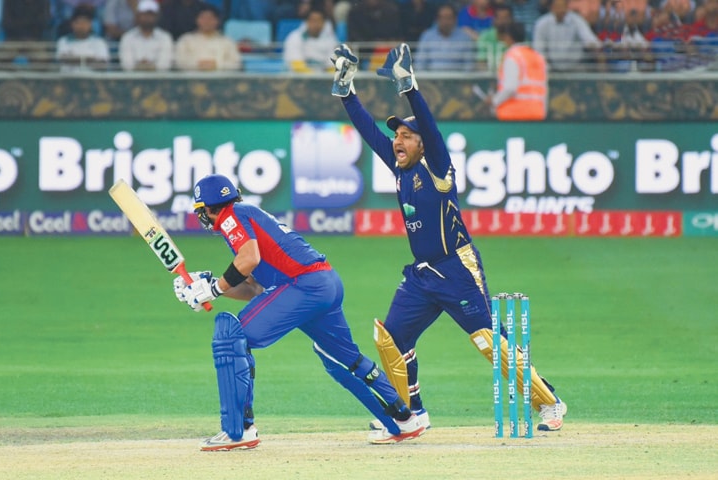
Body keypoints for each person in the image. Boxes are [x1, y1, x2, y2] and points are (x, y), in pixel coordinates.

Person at [329, 42, 567, 432]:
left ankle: (550, 403)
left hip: (456, 267)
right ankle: (410, 413)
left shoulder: (438, 169)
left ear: (422, 145)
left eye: (407, 135)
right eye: (398, 135)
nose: (398, 141)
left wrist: (408, 86)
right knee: (392, 337)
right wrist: (346, 93)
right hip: (422, 275)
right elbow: (370, 132)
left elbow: (433, 131)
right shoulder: (401, 169)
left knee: (490, 342)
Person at [172, 174, 426, 449]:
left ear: (210, 207)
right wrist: (204, 286)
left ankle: (239, 430)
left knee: (231, 336)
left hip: (303, 285)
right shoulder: (246, 215)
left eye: (201, 211)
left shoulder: (231, 216)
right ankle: (402, 419)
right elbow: (256, 289)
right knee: (342, 358)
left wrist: (214, 289)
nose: (203, 217)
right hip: (324, 283)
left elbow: (249, 259)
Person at [483, 22, 548, 120]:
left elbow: (510, 88)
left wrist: (494, 101)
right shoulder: (538, 57)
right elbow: (544, 90)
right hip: (537, 113)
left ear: (508, 37)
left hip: (514, 114)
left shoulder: (513, 56)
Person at [532, 0, 602, 71]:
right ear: (552, 8)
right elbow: (539, 49)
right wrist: (546, 66)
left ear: (567, 7)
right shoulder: (542, 23)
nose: (561, 10)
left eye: (563, 6)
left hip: (575, 66)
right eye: (558, 7)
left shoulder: (577, 20)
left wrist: (594, 45)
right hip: (552, 67)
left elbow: (589, 38)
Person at [174, 4, 242, 71]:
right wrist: (198, 64)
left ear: (217, 21)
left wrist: (216, 65)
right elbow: (179, 62)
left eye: (210, 18)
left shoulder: (227, 41)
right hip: (191, 80)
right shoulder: (186, 40)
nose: (206, 22)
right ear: (197, 20)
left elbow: (236, 64)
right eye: (203, 18)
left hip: (220, 80)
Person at [414, 3, 475, 71]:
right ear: (437, 20)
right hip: (431, 79)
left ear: (455, 19)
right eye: (442, 18)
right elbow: (419, 64)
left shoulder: (464, 38)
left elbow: (468, 65)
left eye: (449, 18)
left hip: (457, 79)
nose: (445, 22)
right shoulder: (427, 36)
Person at [119, 0, 174, 71]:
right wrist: (144, 66)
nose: (147, 17)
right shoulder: (127, 37)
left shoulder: (165, 37)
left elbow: (164, 65)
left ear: (156, 17)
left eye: (150, 14)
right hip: (133, 80)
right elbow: (127, 65)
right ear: (138, 16)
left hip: (159, 80)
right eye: (144, 14)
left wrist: (147, 67)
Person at [55, 4, 111, 71]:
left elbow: (102, 64)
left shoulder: (99, 42)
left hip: (93, 80)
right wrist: (90, 60)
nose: (81, 26)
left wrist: (74, 59)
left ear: (90, 24)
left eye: (84, 22)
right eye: (78, 22)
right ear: (72, 24)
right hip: (69, 79)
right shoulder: (64, 41)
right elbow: (63, 59)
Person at [282, 7, 339, 72]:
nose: (316, 24)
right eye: (313, 20)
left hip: (323, 79)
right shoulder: (294, 38)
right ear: (306, 22)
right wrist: (315, 78)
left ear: (324, 23)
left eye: (319, 20)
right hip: (297, 79)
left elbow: (332, 67)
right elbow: (297, 66)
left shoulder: (331, 40)